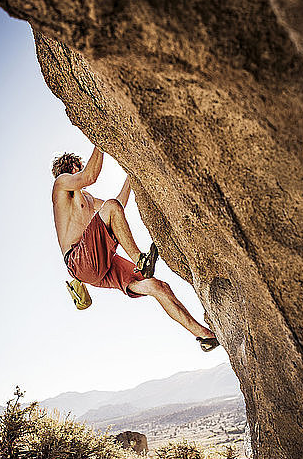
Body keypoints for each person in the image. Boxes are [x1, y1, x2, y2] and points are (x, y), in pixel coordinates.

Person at [51, 146, 219, 352]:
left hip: (99, 268)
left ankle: (205, 336)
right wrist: (99, 142)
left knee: (157, 286)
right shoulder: (61, 186)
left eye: (79, 166)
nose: (79, 169)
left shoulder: (87, 199)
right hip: (79, 259)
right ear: (67, 171)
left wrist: (131, 175)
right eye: (75, 167)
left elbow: (117, 207)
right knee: (111, 208)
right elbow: (91, 177)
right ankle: (141, 259)